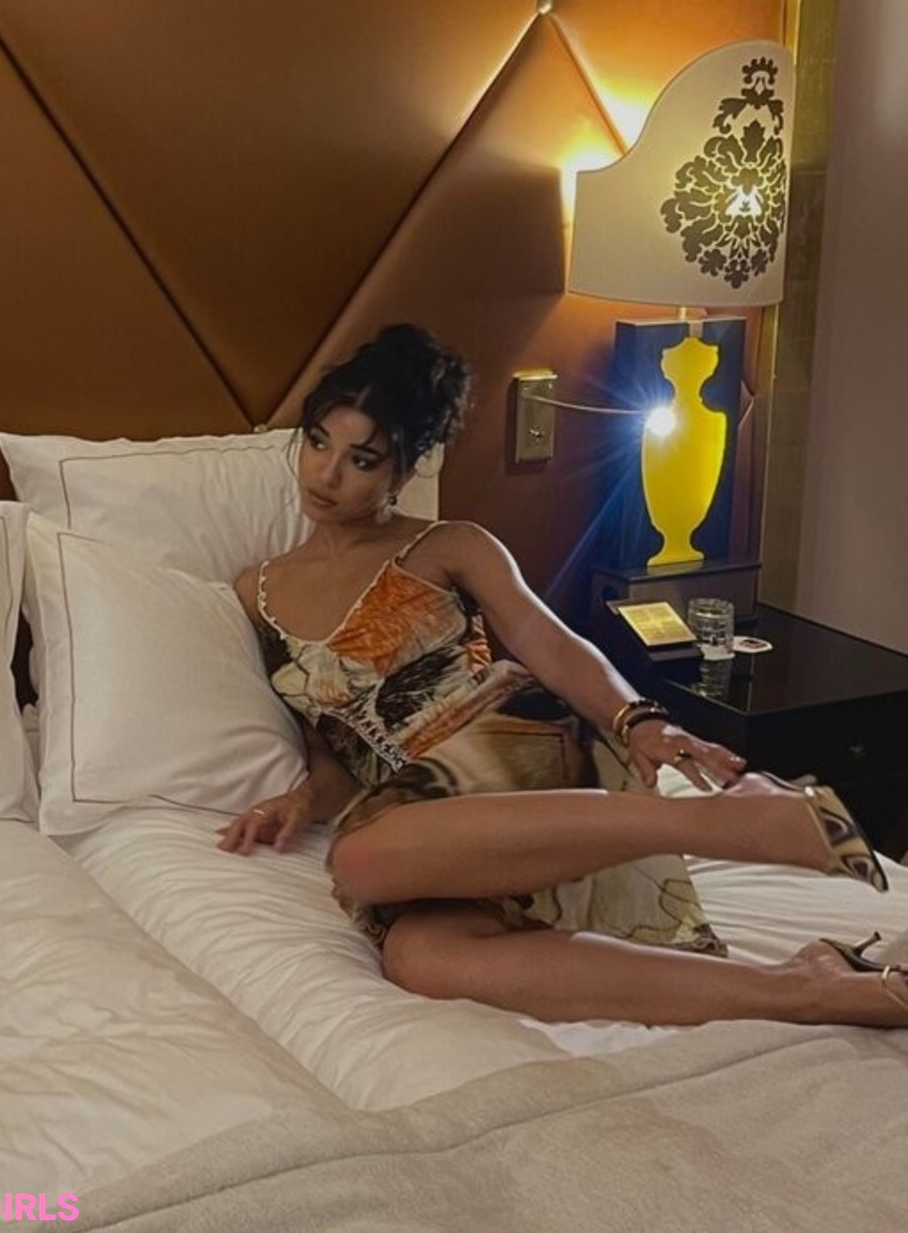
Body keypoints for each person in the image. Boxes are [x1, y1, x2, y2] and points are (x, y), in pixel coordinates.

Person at [222, 323, 908, 1029]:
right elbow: (332, 746)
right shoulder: (258, 592)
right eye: (318, 443)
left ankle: (725, 821)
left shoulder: (448, 545)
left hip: (514, 743)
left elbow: (546, 641)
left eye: (362, 459)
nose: (326, 474)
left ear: (403, 471)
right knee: (420, 956)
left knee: (359, 861)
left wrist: (638, 721)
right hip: (420, 812)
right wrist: (301, 801)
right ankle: (808, 987)